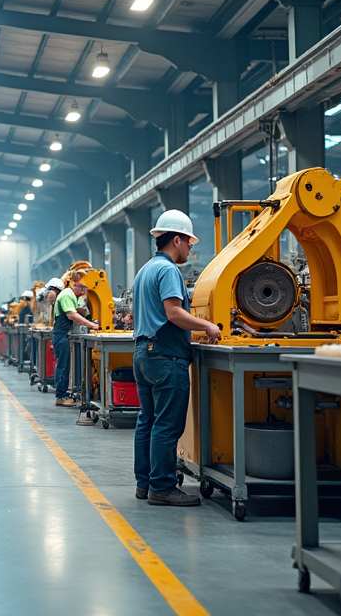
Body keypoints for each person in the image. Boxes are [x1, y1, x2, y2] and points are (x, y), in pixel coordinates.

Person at [133, 210, 221, 507]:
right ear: (177, 239)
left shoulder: (145, 270)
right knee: (167, 426)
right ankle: (162, 487)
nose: (190, 249)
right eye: (189, 243)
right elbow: (173, 313)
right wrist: (207, 326)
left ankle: (145, 484)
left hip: (143, 355)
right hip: (165, 358)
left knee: (147, 422)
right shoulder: (169, 270)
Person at [51, 276, 99, 407]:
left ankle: (64, 393)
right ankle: (60, 397)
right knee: (63, 366)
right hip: (61, 335)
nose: (85, 292)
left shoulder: (72, 296)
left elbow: (78, 311)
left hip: (65, 334)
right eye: (84, 288)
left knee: (65, 365)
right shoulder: (67, 295)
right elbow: (71, 315)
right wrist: (91, 325)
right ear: (77, 285)